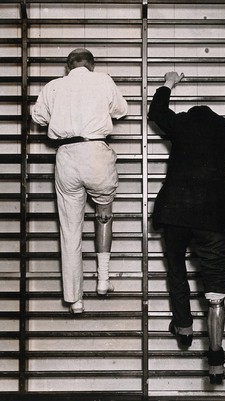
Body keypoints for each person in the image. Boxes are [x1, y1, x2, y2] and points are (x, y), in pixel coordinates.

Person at [148, 71, 225, 384]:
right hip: (216, 213)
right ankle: (216, 362)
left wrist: (169, 83)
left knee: (176, 268)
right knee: (215, 292)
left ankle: (184, 326)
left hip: (176, 209)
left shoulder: (183, 123)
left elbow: (157, 114)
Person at [32, 48, 128, 314]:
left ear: (67, 66)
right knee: (104, 214)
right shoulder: (103, 80)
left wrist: (64, 114)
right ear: (92, 65)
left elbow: (37, 117)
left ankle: (75, 300)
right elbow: (121, 110)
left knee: (70, 229)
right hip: (96, 151)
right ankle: (103, 280)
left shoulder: (53, 86)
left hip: (66, 155)